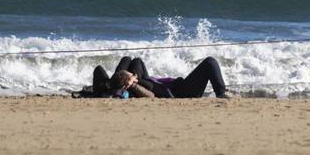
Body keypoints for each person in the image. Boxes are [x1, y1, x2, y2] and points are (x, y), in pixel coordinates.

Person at [91, 56, 233, 99]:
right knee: (210, 62)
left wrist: (132, 77)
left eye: (133, 74)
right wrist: (136, 81)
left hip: (121, 84)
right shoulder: (147, 86)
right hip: (181, 92)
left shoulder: (139, 80)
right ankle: (221, 93)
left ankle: (113, 83)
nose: (134, 75)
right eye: (132, 76)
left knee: (133, 60)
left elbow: (136, 63)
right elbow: (160, 93)